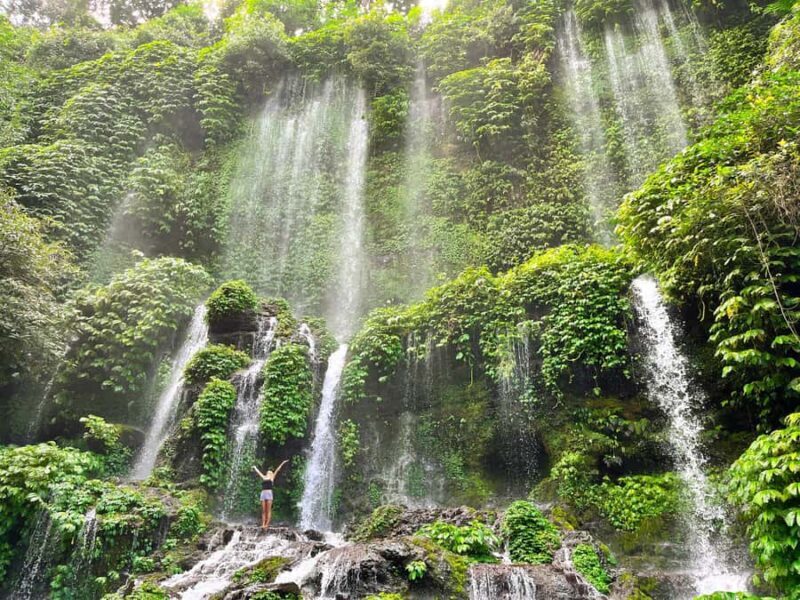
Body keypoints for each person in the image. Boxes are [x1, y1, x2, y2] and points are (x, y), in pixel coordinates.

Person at [253, 459, 289, 529]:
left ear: (271, 473)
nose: (268, 471)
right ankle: (263, 524)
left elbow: (278, 469)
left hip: (269, 493)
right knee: (263, 510)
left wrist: (283, 462)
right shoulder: (264, 477)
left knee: (268, 510)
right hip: (263, 493)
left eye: (270, 471)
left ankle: (267, 524)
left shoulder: (272, 477)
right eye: (268, 471)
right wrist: (255, 467)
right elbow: (258, 472)